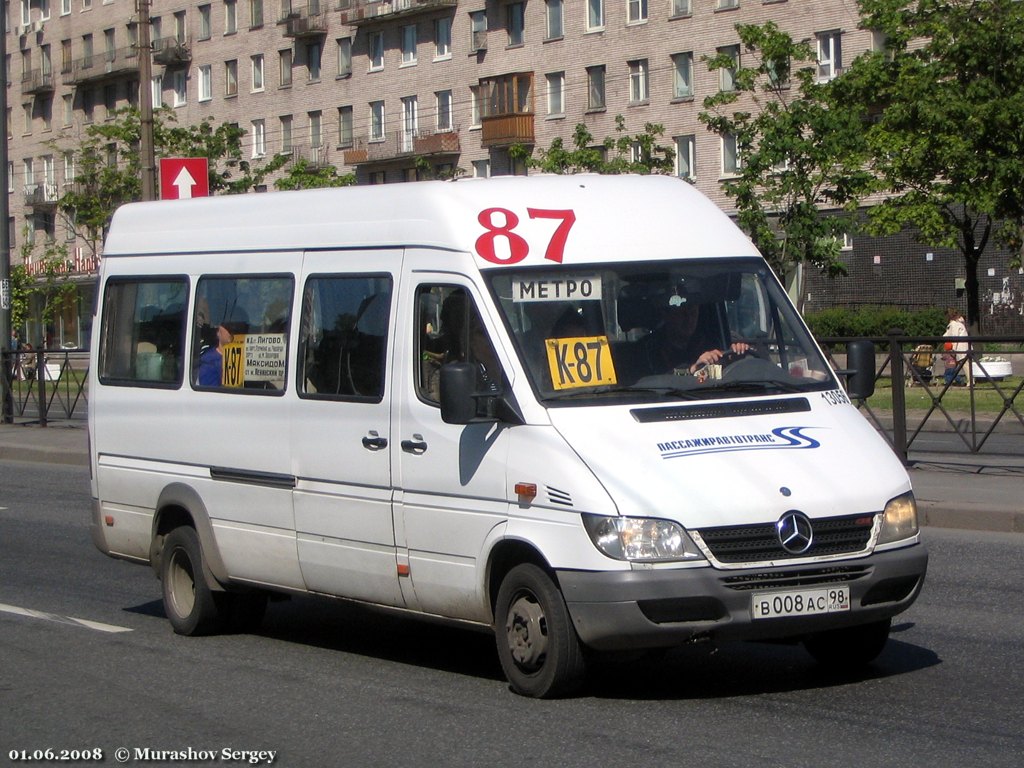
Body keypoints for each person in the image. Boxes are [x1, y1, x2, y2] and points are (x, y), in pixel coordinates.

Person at [641, 294, 749, 378]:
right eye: (682, 314)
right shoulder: (649, 349)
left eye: (693, 313)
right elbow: (655, 383)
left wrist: (732, 359)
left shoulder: (711, 343)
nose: (689, 319)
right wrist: (693, 369)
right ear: (667, 315)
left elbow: (723, 379)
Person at [197, 321, 244, 386]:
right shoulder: (209, 361)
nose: (233, 331)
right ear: (218, 332)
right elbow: (210, 393)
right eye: (228, 327)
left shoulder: (246, 359)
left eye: (238, 328)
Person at [942, 309, 969, 386]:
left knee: (964, 365)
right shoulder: (958, 324)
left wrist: (953, 349)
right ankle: (954, 380)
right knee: (955, 366)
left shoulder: (954, 324)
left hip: (960, 348)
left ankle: (970, 381)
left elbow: (954, 337)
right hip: (962, 346)